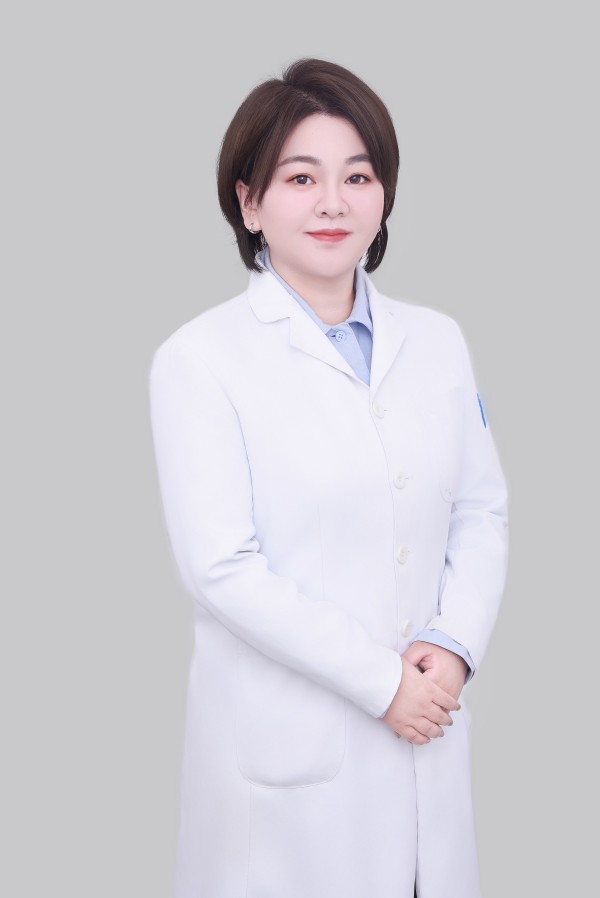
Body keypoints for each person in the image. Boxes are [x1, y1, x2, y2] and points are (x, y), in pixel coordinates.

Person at [149, 58, 508, 898]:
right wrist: (385, 685)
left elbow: (481, 510)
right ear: (249, 202)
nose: (333, 203)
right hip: (288, 770)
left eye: (358, 176)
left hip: (427, 735)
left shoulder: (439, 342)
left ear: (384, 195)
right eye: (301, 178)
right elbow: (221, 567)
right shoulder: (200, 360)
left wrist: (454, 646)